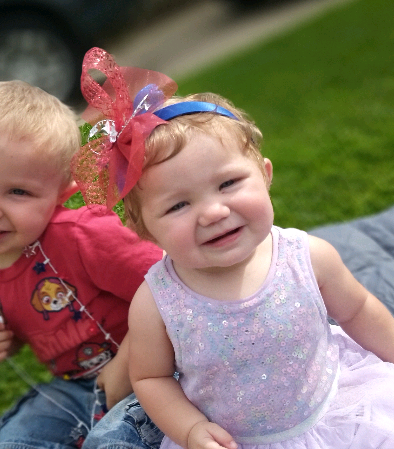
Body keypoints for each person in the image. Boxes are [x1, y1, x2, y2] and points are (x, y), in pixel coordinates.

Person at [73, 49, 394, 449]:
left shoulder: (308, 256)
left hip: (333, 406)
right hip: (239, 439)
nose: (213, 212)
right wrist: (190, 429)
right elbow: (151, 378)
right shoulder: (157, 303)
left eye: (228, 184)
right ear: (144, 231)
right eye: (178, 205)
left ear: (265, 174)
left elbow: (358, 311)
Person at [0, 80, 163, 449]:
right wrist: (1, 342)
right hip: (77, 388)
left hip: (159, 365)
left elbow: (170, 284)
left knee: (116, 442)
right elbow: (20, 323)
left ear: (63, 194)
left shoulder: (83, 236)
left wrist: (129, 363)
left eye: (18, 191)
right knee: (17, 442)